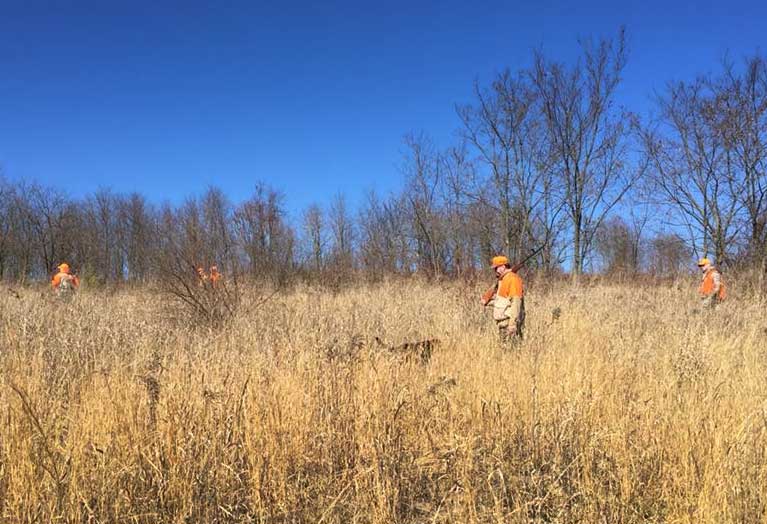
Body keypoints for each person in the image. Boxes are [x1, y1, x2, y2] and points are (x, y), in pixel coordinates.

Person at [482, 255, 525, 344]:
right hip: (503, 324)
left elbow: (516, 303)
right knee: (504, 352)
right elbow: (501, 302)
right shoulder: (501, 281)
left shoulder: (513, 279)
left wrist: (512, 325)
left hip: (509, 324)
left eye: (496, 268)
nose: (495, 271)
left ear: (503, 267)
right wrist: (486, 300)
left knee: (512, 352)